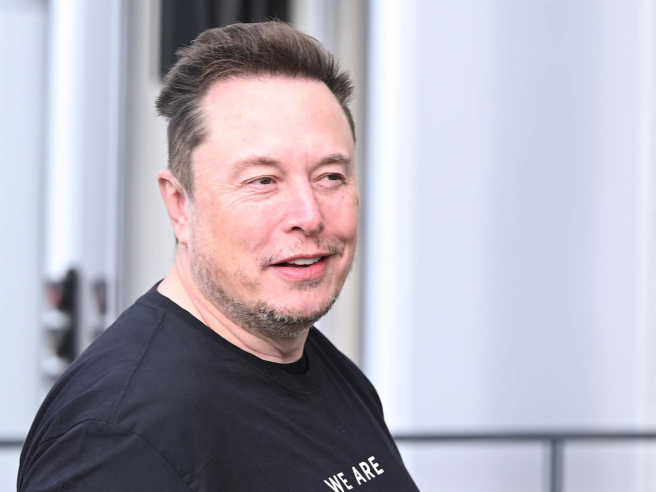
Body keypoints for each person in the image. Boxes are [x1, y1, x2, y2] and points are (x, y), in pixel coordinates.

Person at [18, 22, 419, 491]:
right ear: (179, 205)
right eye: (262, 181)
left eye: (330, 176)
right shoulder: (119, 438)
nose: (309, 216)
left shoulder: (324, 369)